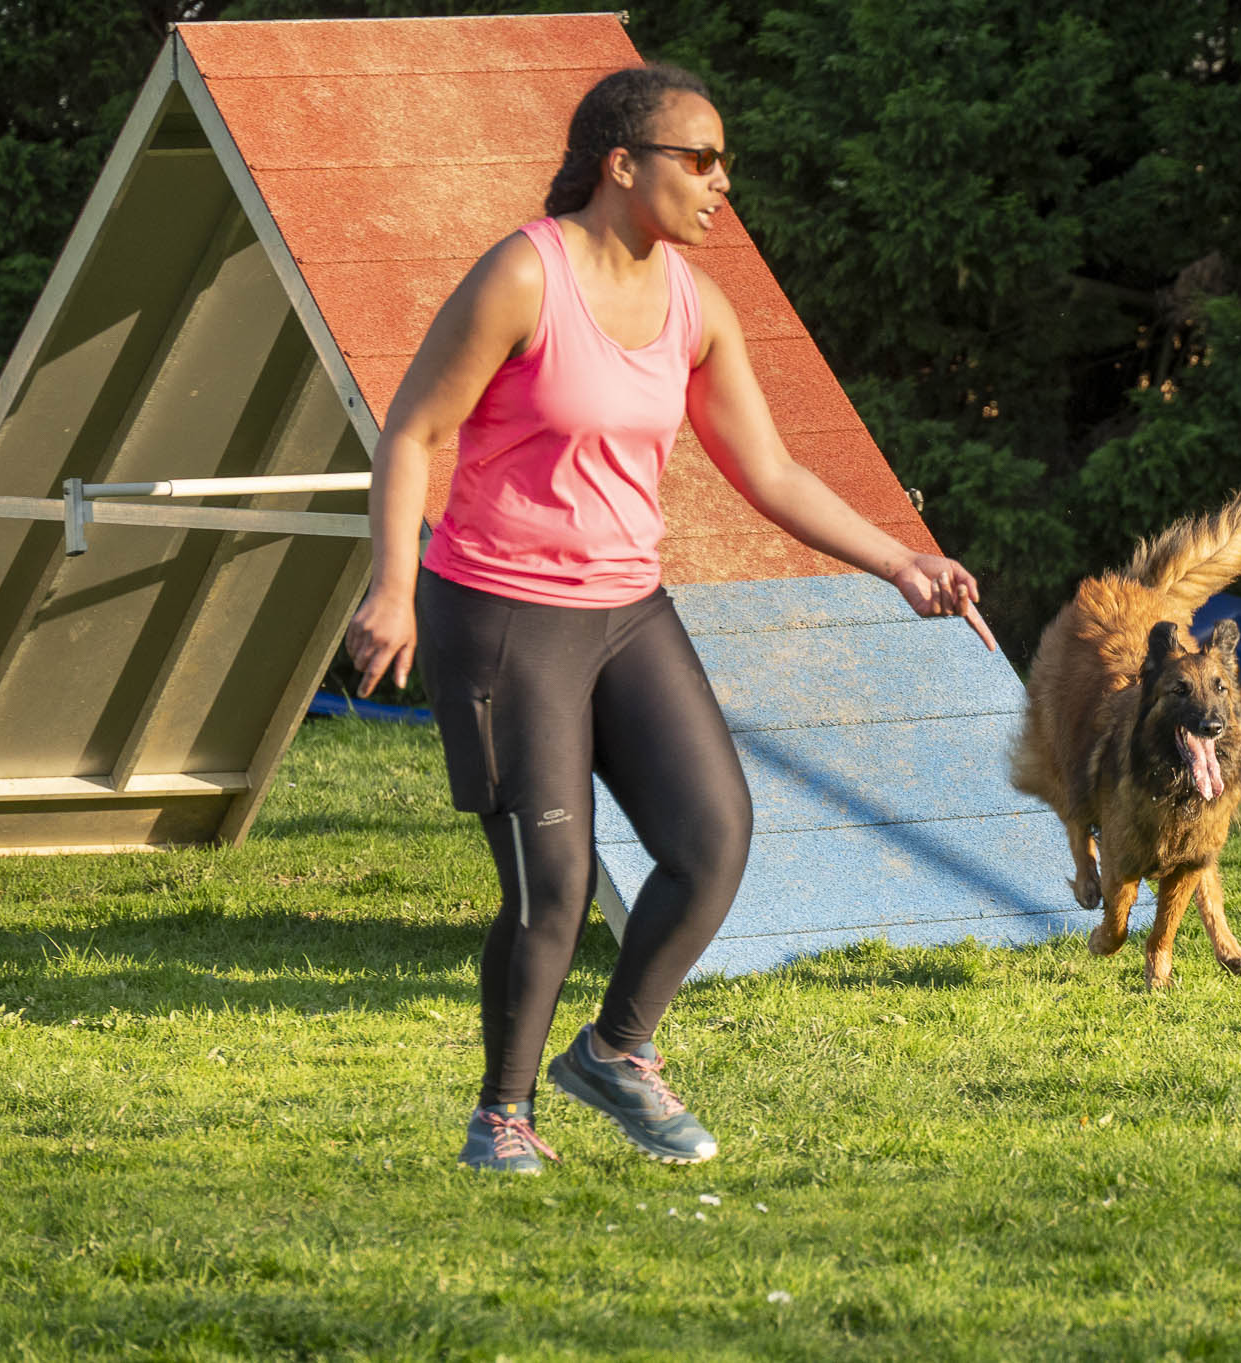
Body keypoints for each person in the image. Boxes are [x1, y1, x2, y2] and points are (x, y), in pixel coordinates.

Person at [343, 63, 996, 1175]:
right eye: (699, 159)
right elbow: (412, 432)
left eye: (721, 162)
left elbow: (769, 469)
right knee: (552, 889)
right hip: (502, 613)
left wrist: (900, 561)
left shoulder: (696, 306)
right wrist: (393, 585)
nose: (720, 182)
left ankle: (614, 1052)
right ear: (621, 164)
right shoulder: (524, 275)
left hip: (626, 611)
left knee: (712, 837)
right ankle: (501, 1116)